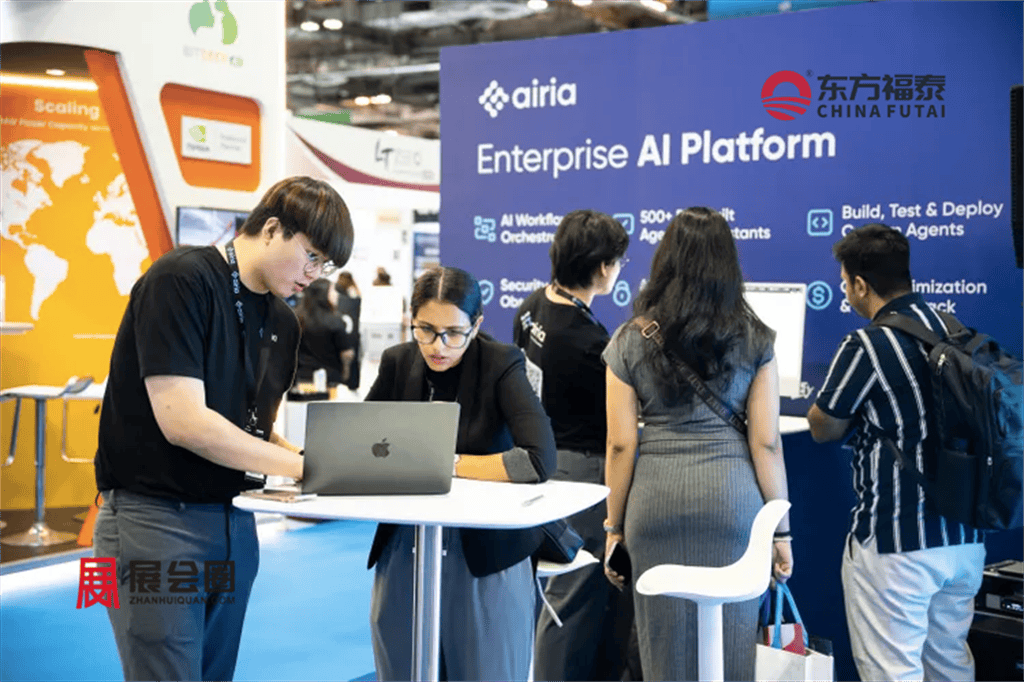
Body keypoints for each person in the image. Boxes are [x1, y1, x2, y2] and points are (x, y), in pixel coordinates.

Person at [92, 176, 354, 681]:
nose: (315, 275)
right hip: (152, 523)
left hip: (235, 523)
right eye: (312, 256)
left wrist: (317, 461)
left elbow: (251, 430)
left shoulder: (284, 322)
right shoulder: (180, 279)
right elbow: (185, 423)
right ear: (272, 229)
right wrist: (307, 466)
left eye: (325, 265)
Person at [602, 207, 793, 682]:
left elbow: (621, 445)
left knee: (662, 648)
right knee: (732, 648)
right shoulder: (756, 338)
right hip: (732, 505)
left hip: (655, 505)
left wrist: (613, 529)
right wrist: (781, 532)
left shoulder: (629, 340)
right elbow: (767, 444)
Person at [806, 223, 985, 682]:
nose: (846, 292)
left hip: (896, 542)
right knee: (950, 668)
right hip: (965, 538)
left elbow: (824, 426)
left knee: (892, 673)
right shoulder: (954, 329)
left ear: (860, 285)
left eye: (845, 283)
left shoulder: (867, 345)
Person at [365, 266, 557, 682]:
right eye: (426, 330)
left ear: (477, 325)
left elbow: (538, 459)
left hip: (486, 550)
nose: (439, 346)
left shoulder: (501, 363)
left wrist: (444, 463)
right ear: (411, 319)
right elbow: (360, 442)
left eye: (454, 333)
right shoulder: (398, 362)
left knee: (486, 668)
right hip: (405, 542)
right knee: (401, 667)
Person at [512, 209, 638, 682]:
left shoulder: (532, 307)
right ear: (603, 267)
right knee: (570, 598)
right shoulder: (588, 341)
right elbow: (618, 423)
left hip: (542, 462)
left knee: (553, 595)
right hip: (581, 474)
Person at [294, 278, 355, 394]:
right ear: (323, 294)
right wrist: (347, 371)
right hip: (330, 380)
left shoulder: (296, 317)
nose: (336, 295)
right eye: (333, 291)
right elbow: (346, 353)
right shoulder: (335, 321)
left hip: (301, 378)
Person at [332, 271, 362, 391]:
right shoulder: (353, 296)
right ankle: (352, 383)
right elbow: (358, 299)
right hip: (352, 334)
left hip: (337, 332)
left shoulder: (334, 295)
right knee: (352, 360)